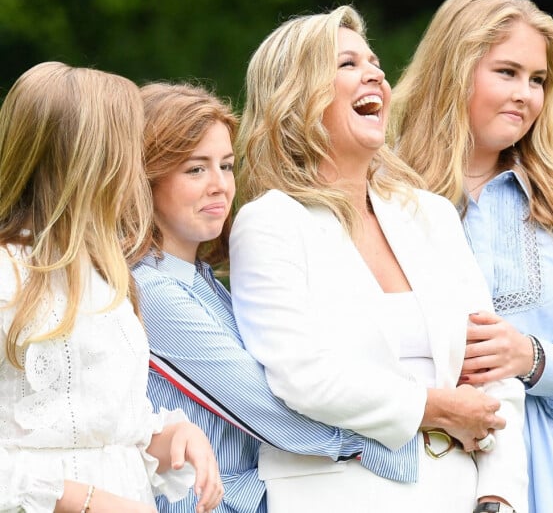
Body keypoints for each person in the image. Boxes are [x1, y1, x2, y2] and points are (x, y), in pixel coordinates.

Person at [228, 5, 528, 513]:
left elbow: (492, 366)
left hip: (462, 495)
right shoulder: (270, 223)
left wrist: (498, 494)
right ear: (296, 97)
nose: (375, 74)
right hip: (335, 493)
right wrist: (433, 408)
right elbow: (301, 374)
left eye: (374, 62)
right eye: (346, 64)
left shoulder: (430, 214)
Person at [132, 81, 433, 513]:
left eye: (227, 166)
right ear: (147, 178)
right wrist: (399, 437)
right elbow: (267, 409)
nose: (219, 185)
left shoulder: (204, 282)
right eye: (195, 169)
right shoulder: (151, 290)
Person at [389, 0, 553, 513]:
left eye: (538, 79)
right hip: (416, 467)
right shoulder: (382, 193)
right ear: (455, 70)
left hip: (546, 475)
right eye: (506, 72)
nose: (526, 94)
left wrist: (534, 359)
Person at [0, 62, 223, 513]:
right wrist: (83, 501)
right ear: (86, 160)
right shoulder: (7, 273)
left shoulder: (105, 275)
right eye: (127, 149)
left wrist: (171, 438)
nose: (138, 170)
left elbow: (100, 425)